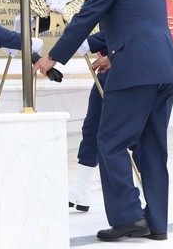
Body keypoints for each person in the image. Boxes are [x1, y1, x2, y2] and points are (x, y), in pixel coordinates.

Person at [32, 0, 173, 242]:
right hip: (164, 69)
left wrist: (52, 58)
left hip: (134, 73)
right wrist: (114, 53)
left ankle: (129, 217)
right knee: (153, 149)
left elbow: (87, 16)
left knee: (111, 142)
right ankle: (157, 224)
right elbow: (139, 22)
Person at [68, 32, 108, 213]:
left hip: (130, 72)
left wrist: (87, 41)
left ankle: (140, 196)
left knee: (127, 137)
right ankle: (80, 190)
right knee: (91, 129)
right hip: (106, 73)